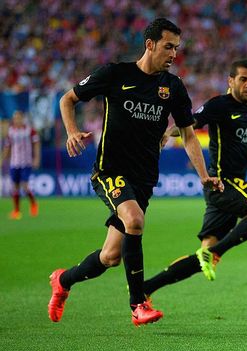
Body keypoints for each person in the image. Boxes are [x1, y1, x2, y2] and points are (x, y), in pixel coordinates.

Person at [48, 18, 222, 327]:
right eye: (168, 47)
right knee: (135, 220)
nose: (173, 54)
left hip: (143, 180)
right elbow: (68, 99)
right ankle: (138, 302)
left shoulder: (172, 87)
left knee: (110, 256)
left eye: (177, 48)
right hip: (110, 171)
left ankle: (63, 281)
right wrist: (72, 131)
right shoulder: (115, 74)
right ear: (150, 44)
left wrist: (203, 174)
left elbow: (189, 134)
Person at [143, 59, 247, 298]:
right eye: (243, 79)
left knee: (202, 257)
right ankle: (216, 252)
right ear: (230, 81)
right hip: (223, 182)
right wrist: (166, 132)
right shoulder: (219, 105)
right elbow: (188, 125)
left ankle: (145, 288)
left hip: (229, 188)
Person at [2, 110, 40, 219]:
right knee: (15, 187)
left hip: (26, 162)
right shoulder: (11, 132)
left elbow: (36, 144)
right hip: (15, 163)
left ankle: (33, 203)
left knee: (25, 186)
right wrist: (2, 159)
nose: (17, 120)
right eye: (15, 118)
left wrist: (36, 158)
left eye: (19, 118)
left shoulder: (29, 130)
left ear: (22, 119)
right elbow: (7, 147)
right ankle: (17, 211)